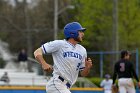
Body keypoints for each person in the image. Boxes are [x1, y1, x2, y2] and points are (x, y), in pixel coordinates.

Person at [34, 22, 93, 93]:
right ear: (72, 32)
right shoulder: (60, 44)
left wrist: (87, 67)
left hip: (66, 87)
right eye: (80, 31)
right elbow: (37, 52)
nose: (82, 34)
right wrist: (44, 63)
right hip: (57, 83)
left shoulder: (82, 50)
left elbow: (83, 74)